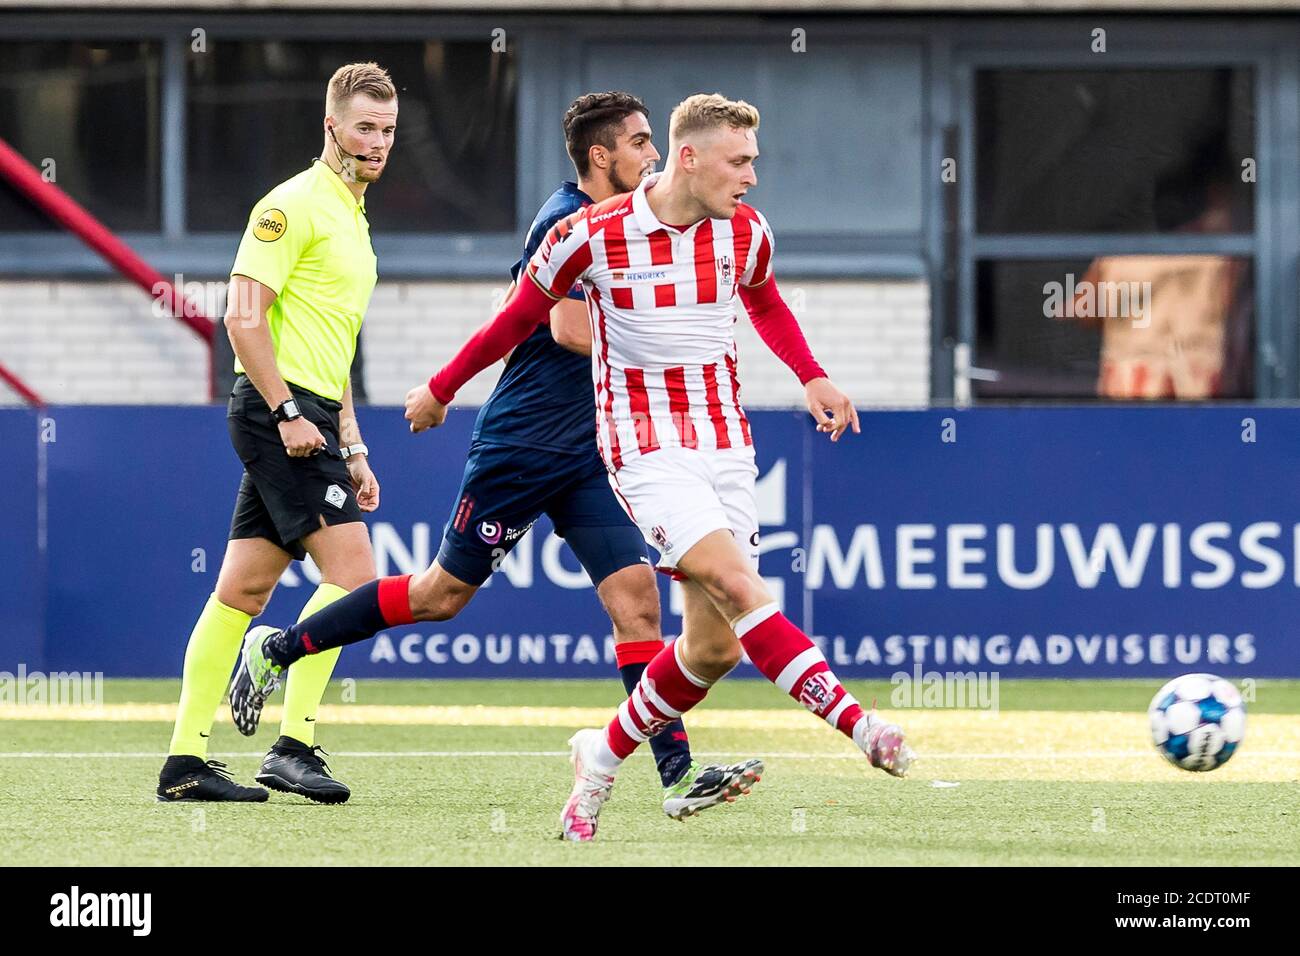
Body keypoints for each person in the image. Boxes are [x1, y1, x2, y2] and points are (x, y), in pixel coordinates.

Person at [228, 91, 762, 821]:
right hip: (523, 443)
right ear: (601, 157)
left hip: (594, 450)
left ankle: (677, 775)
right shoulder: (566, 220)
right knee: (439, 596)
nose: (654, 158)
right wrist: (658, 327)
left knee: (636, 603)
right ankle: (278, 648)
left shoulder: (645, 223)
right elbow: (570, 328)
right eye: (640, 144)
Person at [156, 62, 396, 805]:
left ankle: (185, 763)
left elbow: (338, 348)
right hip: (277, 412)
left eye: (388, 130)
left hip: (314, 413)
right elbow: (241, 316)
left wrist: (350, 445)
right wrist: (289, 412)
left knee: (243, 589)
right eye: (364, 127)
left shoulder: (353, 219)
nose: (378, 142)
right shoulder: (289, 205)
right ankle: (293, 746)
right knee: (356, 578)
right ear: (331, 126)